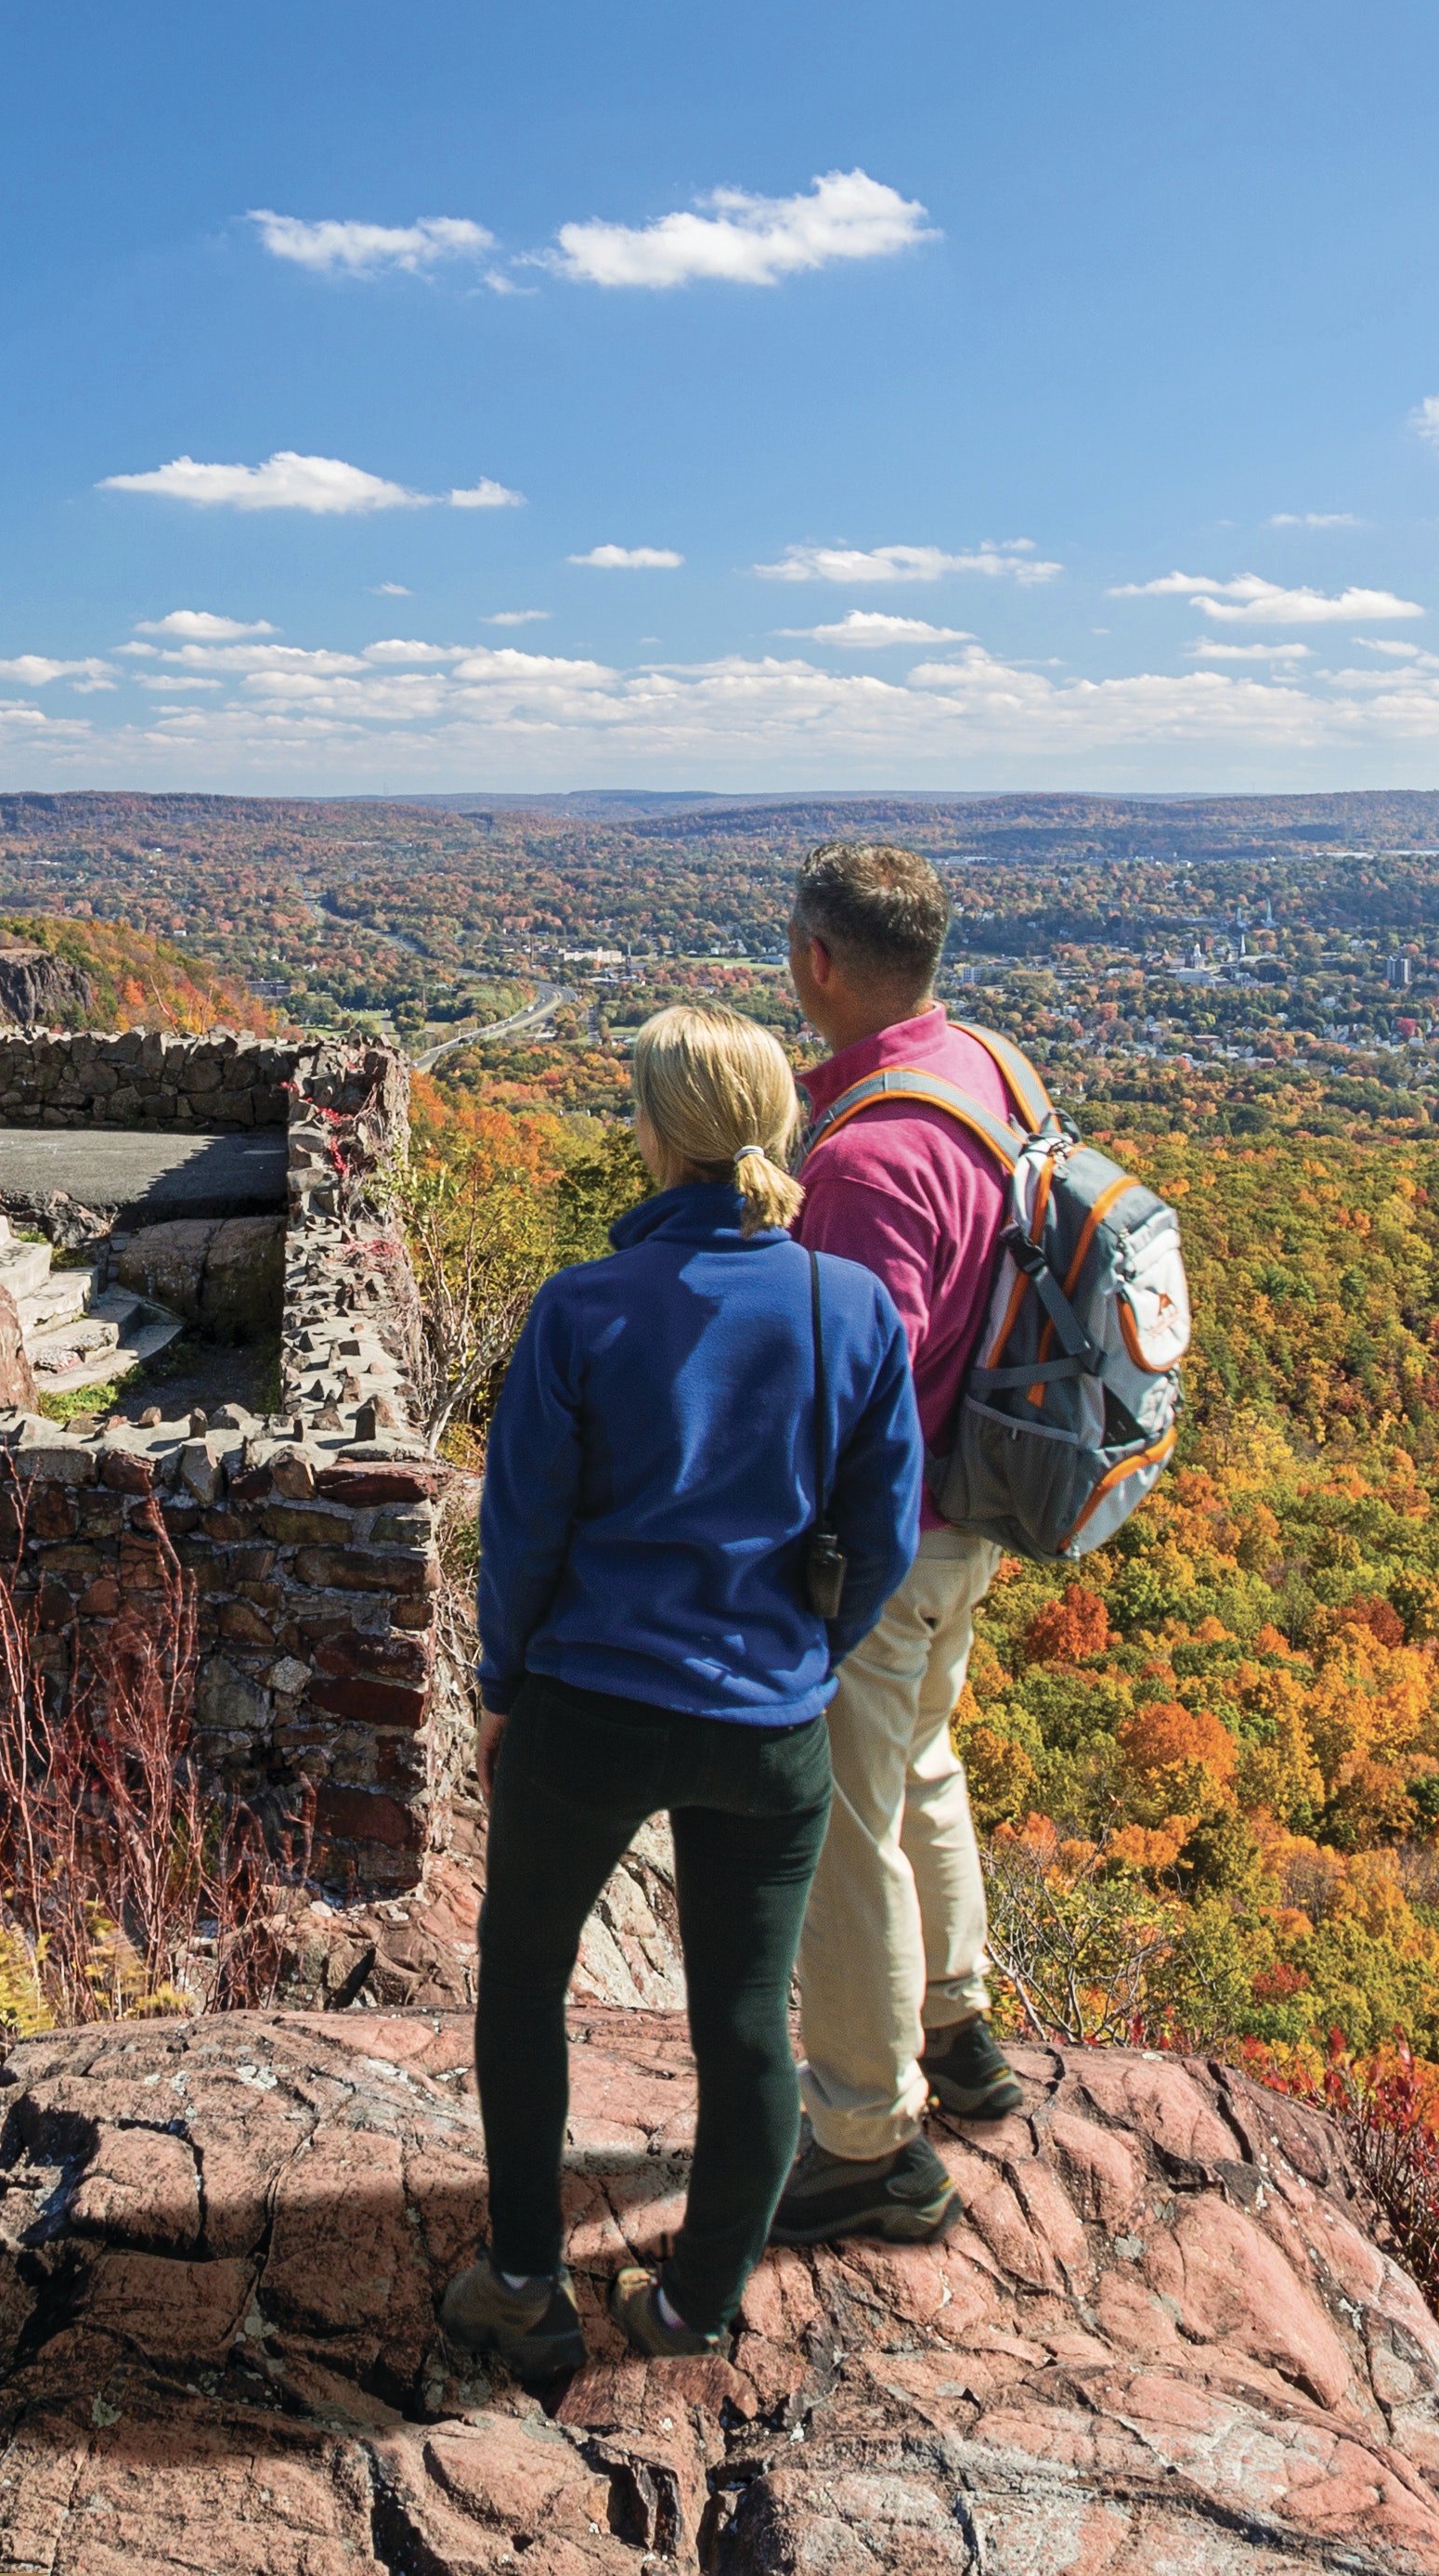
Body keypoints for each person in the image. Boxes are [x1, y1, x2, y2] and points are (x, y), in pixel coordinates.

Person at [440, 1002, 924, 2386]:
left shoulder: (585, 1306)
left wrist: (500, 1685)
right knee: (746, 2017)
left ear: (656, 1131)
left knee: (523, 1980)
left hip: (588, 1706)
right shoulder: (851, 1308)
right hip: (767, 1726)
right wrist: (808, 1658)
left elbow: (521, 1532)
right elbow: (885, 1535)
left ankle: (523, 2282)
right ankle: (693, 2308)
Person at [774, 839, 1038, 2246]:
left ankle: (868, 2141)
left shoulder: (868, 1157)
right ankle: (957, 2031)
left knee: (840, 1828)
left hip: (885, 1542)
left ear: (818, 960)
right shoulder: (986, 1067)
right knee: (923, 1760)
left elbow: (839, 1394)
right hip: (971, 1513)